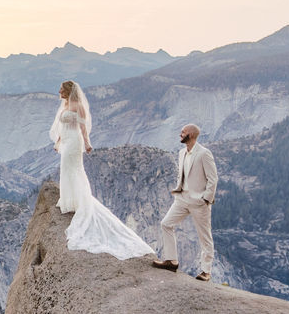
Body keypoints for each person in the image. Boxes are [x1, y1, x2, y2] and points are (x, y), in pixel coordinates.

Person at [50, 80, 155, 259]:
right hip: (66, 140)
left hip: (75, 141)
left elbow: (83, 127)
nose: (59, 91)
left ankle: (79, 201)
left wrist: (88, 143)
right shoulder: (65, 104)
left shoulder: (78, 105)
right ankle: (68, 199)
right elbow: (61, 125)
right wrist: (59, 141)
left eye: (61, 88)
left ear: (68, 91)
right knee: (66, 169)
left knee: (75, 170)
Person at [152, 124, 218, 281]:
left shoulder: (204, 153)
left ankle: (206, 271)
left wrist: (205, 199)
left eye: (183, 132)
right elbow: (182, 174)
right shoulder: (182, 153)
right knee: (166, 224)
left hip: (199, 202)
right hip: (181, 199)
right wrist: (177, 190)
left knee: (205, 237)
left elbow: (213, 178)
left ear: (192, 135)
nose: (180, 134)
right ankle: (171, 260)